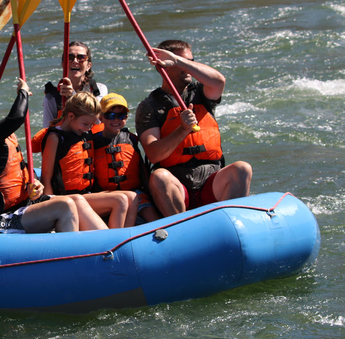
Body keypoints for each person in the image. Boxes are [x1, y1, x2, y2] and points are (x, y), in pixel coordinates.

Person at [0, 79, 107, 233]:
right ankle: (74, 256)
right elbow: (16, 118)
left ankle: (110, 244)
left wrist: (35, 184)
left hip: (21, 205)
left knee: (77, 200)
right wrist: (23, 92)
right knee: (65, 205)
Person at [135, 39, 252, 217]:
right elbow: (154, 153)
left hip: (211, 180)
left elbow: (219, 82)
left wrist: (178, 61)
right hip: (177, 185)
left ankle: (230, 223)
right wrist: (182, 129)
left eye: (191, 61)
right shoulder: (150, 106)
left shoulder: (202, 93)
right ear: (163, 67)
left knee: (242, 168)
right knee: (159, 177)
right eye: (182, 62)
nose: (189, 67)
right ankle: (181, 229)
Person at [40, 92, 136, 229]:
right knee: (120, 200)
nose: (88, 128)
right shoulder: (55, 138)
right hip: (64, 198)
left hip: (85, 195)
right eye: (85, 123)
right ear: (71, 116)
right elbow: (46, 178)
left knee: (132, 197)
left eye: (91, 124)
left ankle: (126, 239)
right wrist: (50, 209)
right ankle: (115, 241)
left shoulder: (84, 134)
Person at [92, 93, 160, 224]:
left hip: (135, 192)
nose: (116, 120)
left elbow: (142, 168)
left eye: (121, 115)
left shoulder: (132, 139)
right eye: (111, 115)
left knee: (153, 218)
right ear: (101, 118)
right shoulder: (93, 143)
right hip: (107, 195)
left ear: (126, 117)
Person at [43, 41, 108, 127]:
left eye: (81, 57)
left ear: (89, 65)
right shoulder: (52, 98)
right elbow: (47, 130)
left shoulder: (99, 90)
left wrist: (72, 96)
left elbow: (97, 120)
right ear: (63, 64)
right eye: (70, 57)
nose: (75, 61)